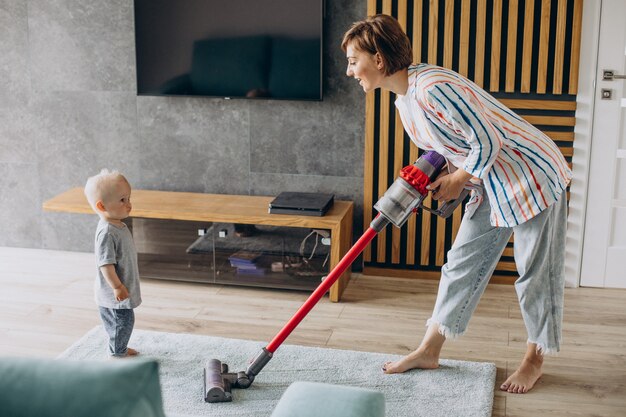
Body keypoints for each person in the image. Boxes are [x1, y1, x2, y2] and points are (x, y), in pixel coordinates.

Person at [342, 14, 572, 394]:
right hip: (490, 180)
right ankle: (429, 350)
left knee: (535, 273)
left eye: (354, 60)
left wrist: (457, 180)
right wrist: (434, 176)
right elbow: (449, 145)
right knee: (461, 263)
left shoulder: (432, 87)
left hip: (531, 175)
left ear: (379, 59)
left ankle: (534, 359)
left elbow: (487, 141)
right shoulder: (405, 100)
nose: (350, 71)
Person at [84, 169, 142, 358]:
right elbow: (105, 264)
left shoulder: (119, 225)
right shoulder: (107, 232)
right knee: (122, 322)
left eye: (128, 198)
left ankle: (120, 348)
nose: (129, 204)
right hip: (113, 293)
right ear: (102, 206)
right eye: (122, 200)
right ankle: (117, 353)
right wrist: (117, 286)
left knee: (123, 321)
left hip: (122, 287)